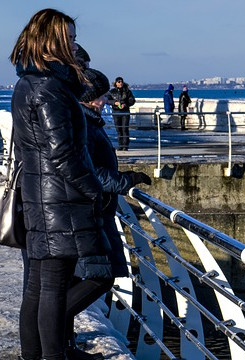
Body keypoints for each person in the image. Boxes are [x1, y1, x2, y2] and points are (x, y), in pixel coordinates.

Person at [10, 8, 110, 360]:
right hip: (61, 203)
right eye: (69, 38)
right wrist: (95, 192)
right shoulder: (50, 88)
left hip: (41, 199)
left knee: (39, 286)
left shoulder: (27, 82)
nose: (73, 43)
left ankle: (33, 355)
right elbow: (64, 153)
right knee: (51, 287)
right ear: (52, 41)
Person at [65, 67, 151, 360]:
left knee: (79, 279)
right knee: (100, 277)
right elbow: (94, 173)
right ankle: (52, 327)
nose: (106, 101)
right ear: (89, 98)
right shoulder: (84, 125)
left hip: (94, 210)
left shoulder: (87, 120)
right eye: (101, 96)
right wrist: (128, 180)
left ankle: (64, 342)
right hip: (91, 213)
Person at [106, 76, 135, 151]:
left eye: (121, 81)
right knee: (118, 129)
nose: (120, 83)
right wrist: (114, 103)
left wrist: (125, 104)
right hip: (116, 111)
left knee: (125, 128)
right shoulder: (112, 92)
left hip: (125, 111)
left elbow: (132, 100)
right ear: (116, 83)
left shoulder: (127, 91)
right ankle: (120, 145)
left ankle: (125, 145)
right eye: (119, 82)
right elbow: (107, 100)